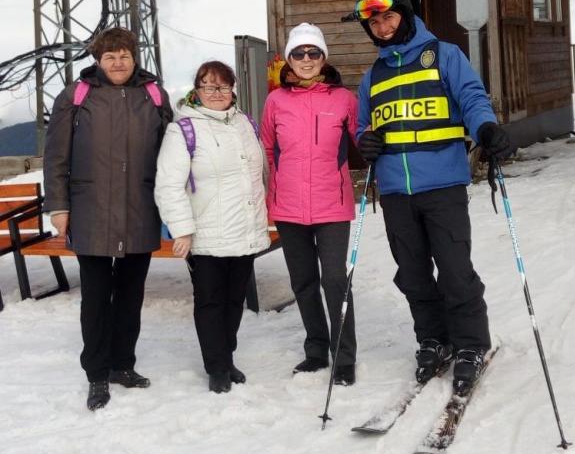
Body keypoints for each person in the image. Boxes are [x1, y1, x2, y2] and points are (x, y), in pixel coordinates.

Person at [349, 0, 511, 395]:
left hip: (442, 185)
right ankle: (434, 340)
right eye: (374, 22)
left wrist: (486, 127)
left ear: (404, 12)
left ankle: (471, 344)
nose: (382, 27)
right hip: (396, 193)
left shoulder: (443, 54)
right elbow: (365, 125)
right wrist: (364, 138)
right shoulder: (373, 76)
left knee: (456, 271)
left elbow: (472, 97)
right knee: (414, 274)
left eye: (388, 17)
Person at [43, 27, 172, 411]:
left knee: (131, 295)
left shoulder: (154, 96)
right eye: (110, 56)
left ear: (135, 58)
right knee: (96, 297)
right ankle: (97, 373)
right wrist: (59, 207)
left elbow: (171, 154)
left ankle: (123, 364)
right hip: (91, 210)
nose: (118, 62)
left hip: (139, 208)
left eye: (125, 55)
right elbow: (56, 157)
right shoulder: (76, 97)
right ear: (98, 60)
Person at [154, 61, 270, 394]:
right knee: (210, 301)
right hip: (205, 233)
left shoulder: (245, 123)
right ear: (197, 90)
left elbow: (255, 177)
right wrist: (182, 230)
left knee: (235, 300)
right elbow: (168, 185)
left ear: (232, 89)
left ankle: (226, 356)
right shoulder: (184, 130)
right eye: (208, 86)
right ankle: (216, 366)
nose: (216, 93)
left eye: (222, 86)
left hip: (243, 230)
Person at [260, 23, 359, 386]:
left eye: (313, 53)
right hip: (288, 208)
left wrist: (372, 142)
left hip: (332, 205)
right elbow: (268, 149)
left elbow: (360, 140)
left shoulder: (344, 99)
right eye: (299, 53)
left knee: (335, 281)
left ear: (323, 58)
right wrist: (273, 191)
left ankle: (344, 356)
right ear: (288, 59)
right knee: (303, 282)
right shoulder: (275, 101)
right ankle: (316, 350)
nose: (306, 59)